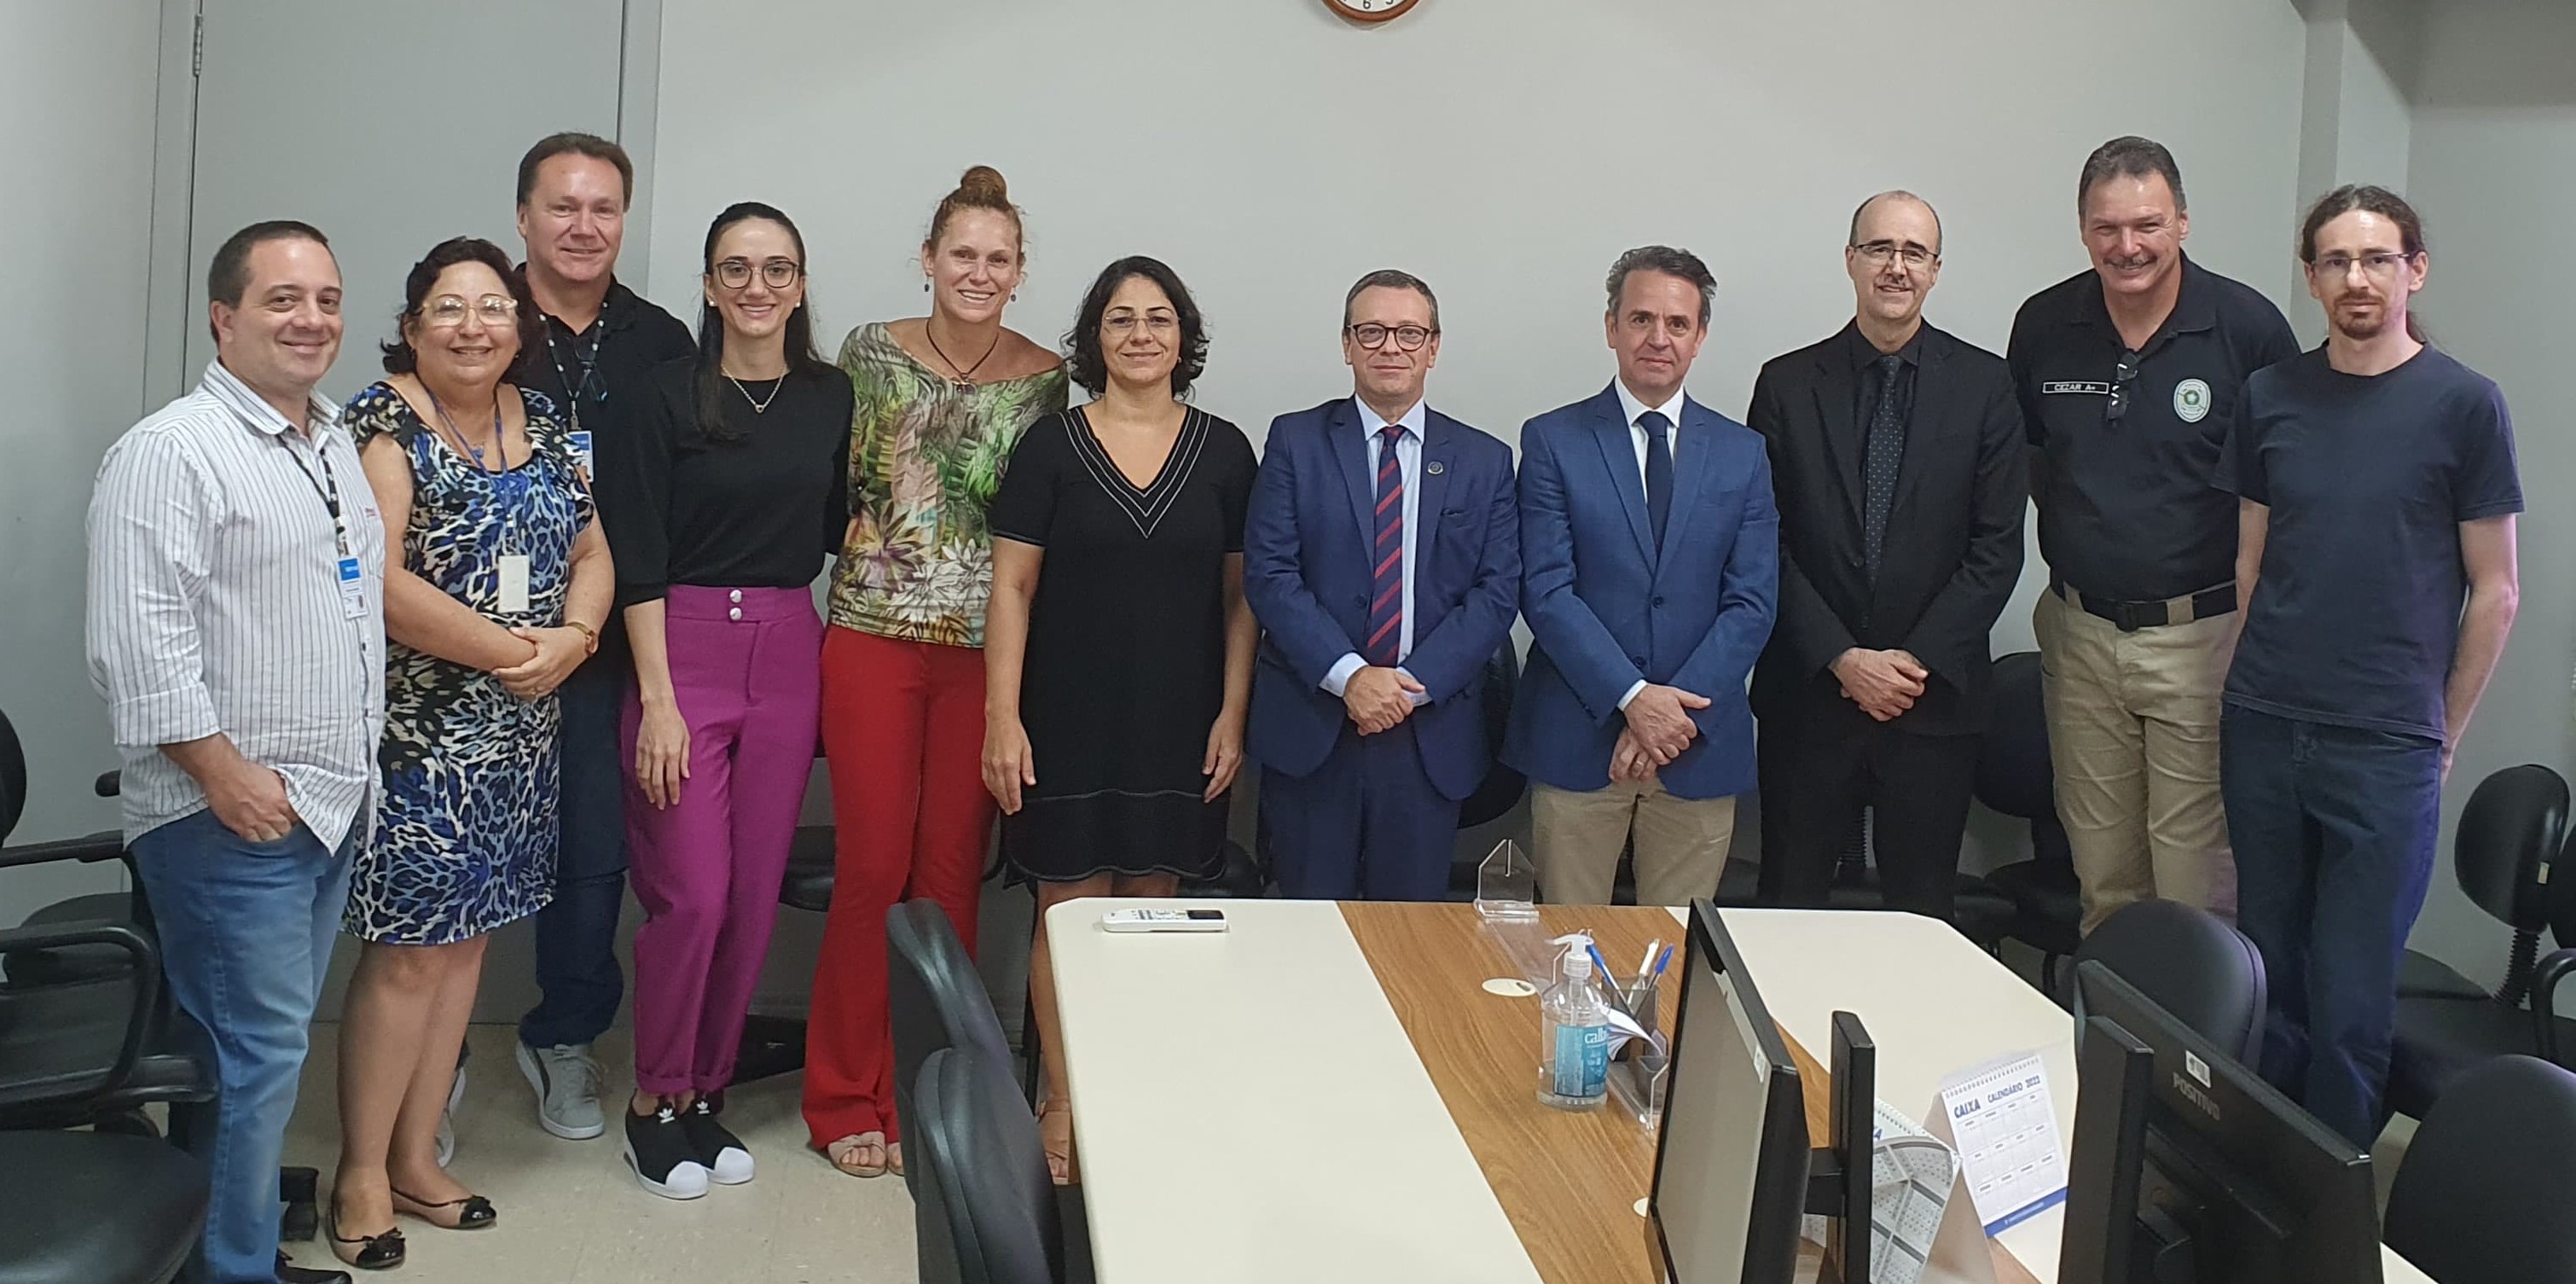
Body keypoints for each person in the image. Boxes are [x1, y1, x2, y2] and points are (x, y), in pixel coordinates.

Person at [86, 219, 378, 1284]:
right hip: (228, 816)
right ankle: (236, 1270)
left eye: (328, 299)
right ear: (224, 316)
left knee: (242, 1061)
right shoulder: (171, 451)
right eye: (283, 299)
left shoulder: (331, 437)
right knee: (259, 1061)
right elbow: (139, 642)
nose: (312, 320)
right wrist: (222, 772)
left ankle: (220, 1254)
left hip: (324, 802)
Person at [329, 236, 612, 1269]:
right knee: (407, 955)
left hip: (520, 733)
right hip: (420, 736)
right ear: (411, 325)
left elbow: (593, 547)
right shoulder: (380, 421)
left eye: (493, 307)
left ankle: (415, 1153)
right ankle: (360, 1171)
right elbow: (380, 579)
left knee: (469, 948)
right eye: (448, 308)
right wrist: (515, 650)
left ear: (519, 325)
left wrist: (574, 640)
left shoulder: (543, 420)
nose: (472, 325)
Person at [2219, 185, 2520, 1147]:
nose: (2356, 278)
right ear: (2310, 277)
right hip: (2263, 725)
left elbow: (2495, 589)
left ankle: (2324, 1219)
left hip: (2385, 745)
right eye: (2335, 261)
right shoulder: (2270, 395)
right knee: (2270, 982)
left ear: (2412, 269)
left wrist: (2443, 734)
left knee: (2351, 1006)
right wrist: (2237, 685)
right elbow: (2250, 563)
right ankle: (2255, 1184)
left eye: (2376, 258)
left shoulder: (2464, 404)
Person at [803, 166, 1066, 1181]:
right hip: (869, 633)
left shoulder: (1047, 380)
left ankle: (930, 1090)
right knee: (872, 866)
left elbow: (1034, 528)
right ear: (927, 259)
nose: (978, 271)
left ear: (1018, 272)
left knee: (952, 874)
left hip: (982, 653)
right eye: (961, 252)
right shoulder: (868, 352)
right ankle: (841, 1091)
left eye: (998, 258)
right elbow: (831, 484)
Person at [983, 256, 1257, 1182]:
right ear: (1092, 339)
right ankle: (1062, 1097)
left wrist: (1233, 711)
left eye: (1157, 319)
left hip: (1179, 718)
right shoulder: (1050, 447)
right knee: (1068, 910)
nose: (1139, 334)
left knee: (1152, 907)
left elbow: (1239, 600)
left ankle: (1130, 1088)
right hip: (1064, 716)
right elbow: (1012, 588)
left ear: (1184, 338)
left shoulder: (1224, 450)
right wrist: (1001, 716)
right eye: (1118, 319)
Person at [599, 202, 850, 1200]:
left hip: (790, 645)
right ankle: (651, 1096)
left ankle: (705, 1092)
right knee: (691, 893)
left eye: (777, 269)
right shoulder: (658, 398)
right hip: (680, 650)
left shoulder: (829, 397)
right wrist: (657, 700)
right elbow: (636, 556)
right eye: (735, 269)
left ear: (799, 284)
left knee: (750, 896)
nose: (756, 287)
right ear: (708, 285)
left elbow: (838, 525)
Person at [2008, 137, 2298, 934]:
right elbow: (2036, 464)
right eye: (2107, 228)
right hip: (2079, 635)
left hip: (2202, 638)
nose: (2127, 246)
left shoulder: (2247, 329)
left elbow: (2283, 494)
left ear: (2182, 222)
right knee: (2102, 882)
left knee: (2196, 891)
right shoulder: (2044, 324)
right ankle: (2114, 1057)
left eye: (2148, 224)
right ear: (2081, 229)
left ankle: (2193, 1062)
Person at [1749, 194, 2025, 921]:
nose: (1896, 267)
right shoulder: (1785, 384)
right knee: (1789, 914)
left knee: (1921, 923)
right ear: (1850, 261)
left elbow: (1996, 550)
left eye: (1914, 252)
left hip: (1931, 707)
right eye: (1879, 249)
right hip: (1810, 700)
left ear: (1935, 270)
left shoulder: (1987, 386)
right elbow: (1762, 541)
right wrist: (1843, 658)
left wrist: (1909, 664)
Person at [508, 131, 696, 1142]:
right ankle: (424, 1056)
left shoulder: (663, 344)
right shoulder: (476, 317)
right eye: (563, 206)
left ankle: (562, 1033)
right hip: (470, 644)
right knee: (448, 853)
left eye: (604, 208)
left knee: (590, 853)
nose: (584, 226)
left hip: (605, 646)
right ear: (524, 216)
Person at [1503, 246, 1778, 907]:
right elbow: (1546, 590)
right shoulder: (1551, 440)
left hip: (1697, 742)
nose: (1659, 338)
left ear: (1700, 336)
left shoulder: (1743, 453)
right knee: (1568, 953)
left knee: (1676, 958)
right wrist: (1633, 698)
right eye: (1641, 318)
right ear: (1611, 327)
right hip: (1579, 738)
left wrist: (1670, 713)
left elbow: (1752, 602)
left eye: (1678, 324)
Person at [1243, 270, 1520, 900]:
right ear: (1346, 344)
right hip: (1317, 726)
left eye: (1408, 332)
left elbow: (1497, 590)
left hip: (1426, 735)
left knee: (1411, 943)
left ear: (1433, 346)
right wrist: (1350, 676)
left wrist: (1406, 690)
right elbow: (1270, 572)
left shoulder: (1485, 459)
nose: (1390, 346)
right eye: (1371, 331)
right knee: (1312, 936)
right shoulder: (1295, 440)